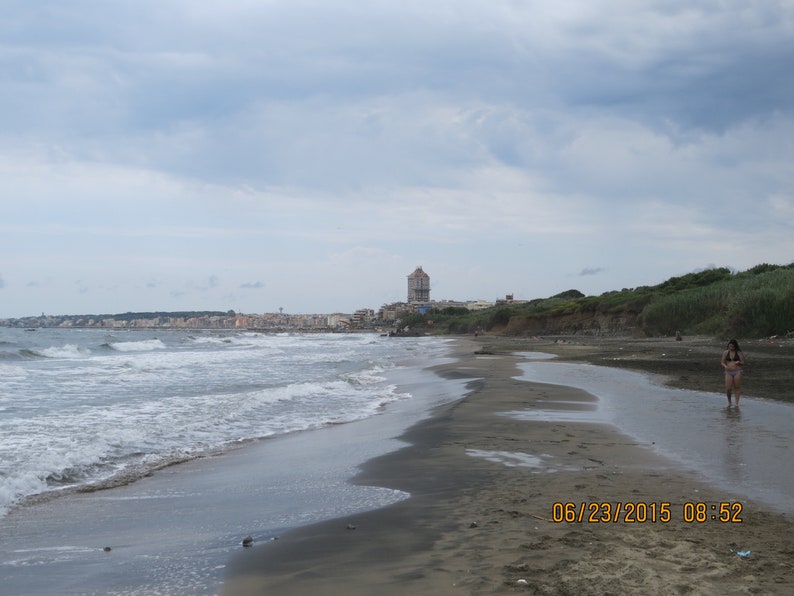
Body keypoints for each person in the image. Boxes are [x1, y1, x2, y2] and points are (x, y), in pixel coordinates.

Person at [721, 339, 745, 407]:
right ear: (728, 346)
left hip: (737, 371)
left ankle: (737, 404)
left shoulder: (739, 352)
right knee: (728, 389)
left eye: (732, 347)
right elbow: (722, 362)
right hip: (728, 372)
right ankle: (729, 402)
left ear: (735, 346)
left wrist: (739, 362)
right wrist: (725, 366)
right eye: (730, 346)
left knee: (737, 387)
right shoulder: (725, 352)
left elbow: (743, 362)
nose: (731, 348)